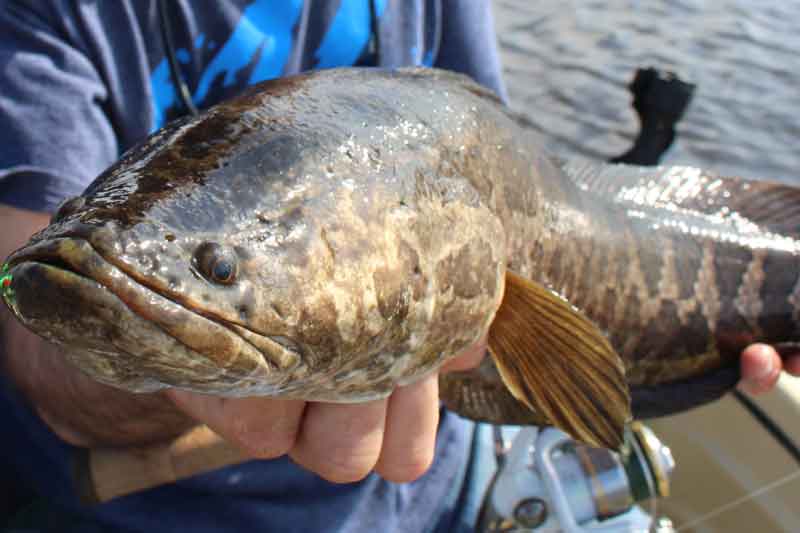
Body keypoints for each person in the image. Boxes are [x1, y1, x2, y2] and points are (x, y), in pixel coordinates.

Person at [0, 2, 796, 532]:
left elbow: (497, 145)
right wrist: (180, 366)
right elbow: (35, 323)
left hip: (445, 483)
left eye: (216, 264)